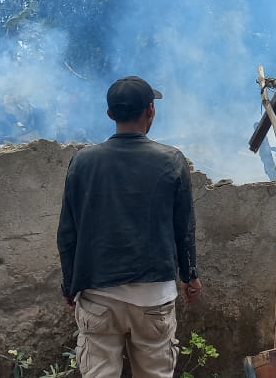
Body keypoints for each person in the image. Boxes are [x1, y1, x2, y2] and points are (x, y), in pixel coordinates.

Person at [57, 76, 202, 378]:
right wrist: (190, 276)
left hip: (97, 296)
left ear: (110, 115)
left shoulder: (82, 162)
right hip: (153, 298)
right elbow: (183, 227)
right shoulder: (171, 160)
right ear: (151, 110)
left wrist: (70, 285)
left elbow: (67, 233)